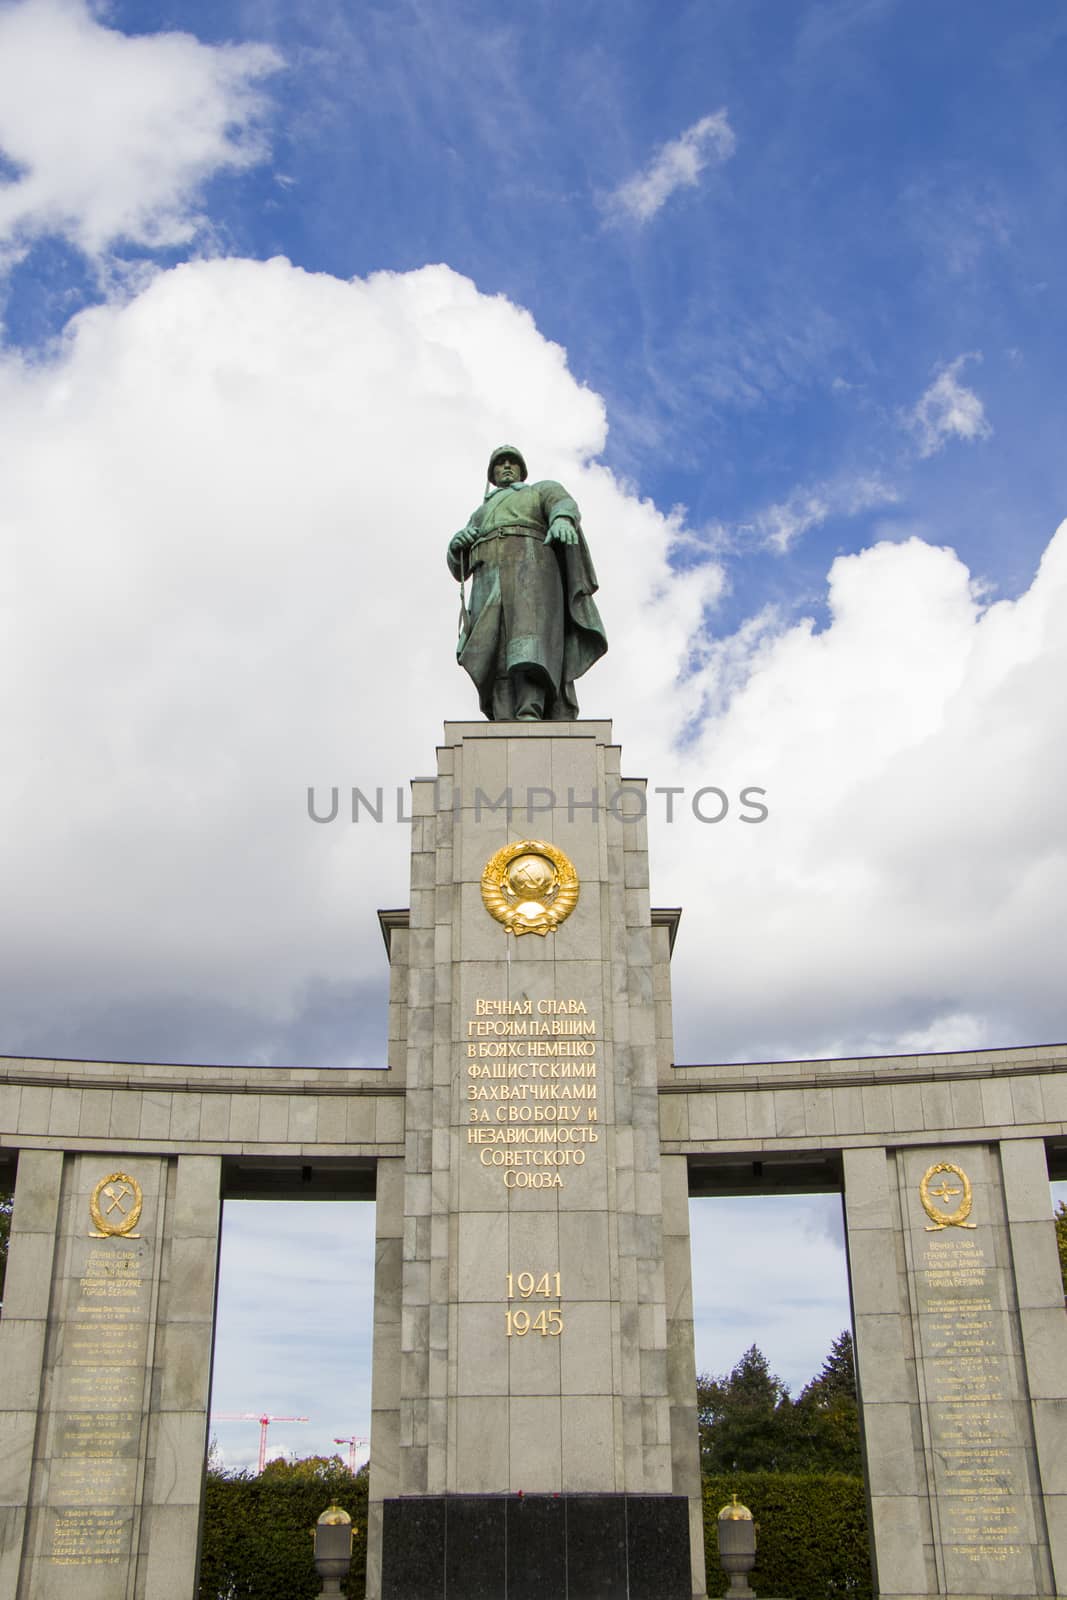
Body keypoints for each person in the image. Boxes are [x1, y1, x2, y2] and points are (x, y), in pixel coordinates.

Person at [446, 445, 607, 720]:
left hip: (532, 570)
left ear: (521, 469)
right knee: (494, 649)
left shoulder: (538, 490)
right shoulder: (480, 512)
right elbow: (459, 566)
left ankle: (529, 711)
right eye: (500, 463)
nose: (506, 466)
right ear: (492, 474)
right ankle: (503, 716)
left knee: (528, 644)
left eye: (512, 462)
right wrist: (455, 548)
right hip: (489, 578)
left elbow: (563, 503)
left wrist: (562, 520)